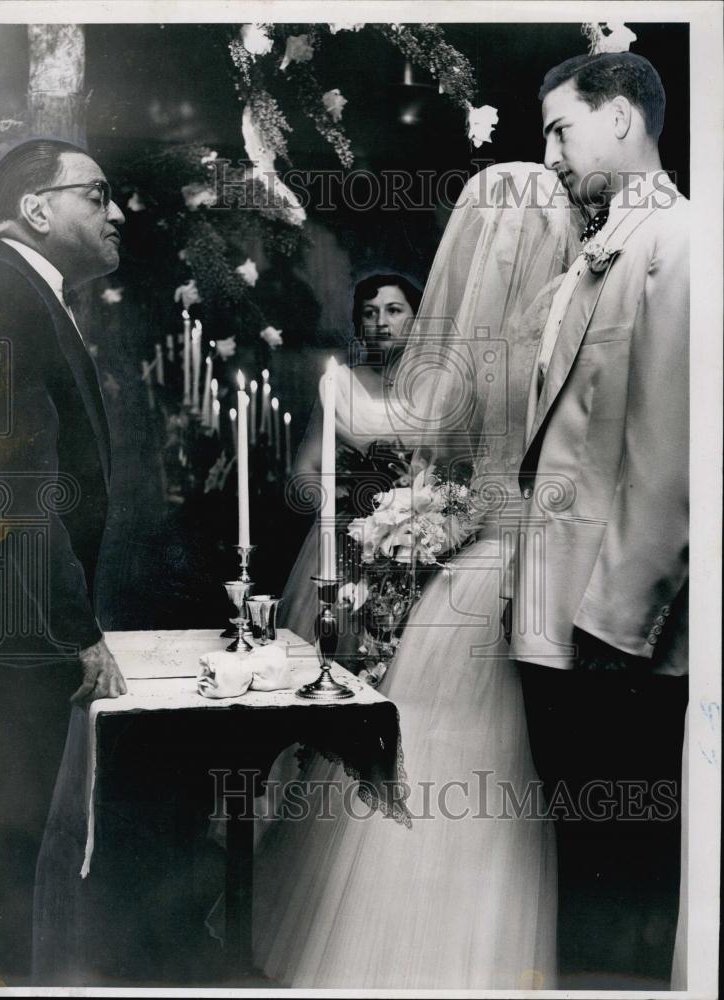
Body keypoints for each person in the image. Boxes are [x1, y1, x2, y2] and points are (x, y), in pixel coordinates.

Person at [248, 163, 581, 988]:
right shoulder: (555, 323)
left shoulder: (473, 355)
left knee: (458, 751)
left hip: (477, 569)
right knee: (474, 757)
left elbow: (421, 431)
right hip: (512, 563)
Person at [506, 53, 689, 986]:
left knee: (624, 881)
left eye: (558, 129)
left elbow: (671, 458)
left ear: (620, 119)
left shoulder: (683, 241)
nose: (548, 155)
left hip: (615, 640)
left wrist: (616, 631)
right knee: (579, 865)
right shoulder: (595, 251)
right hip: (553, 628)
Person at [0, 139, 127, 982]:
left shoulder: (27, 294)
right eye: (97, 196)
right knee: (0, 851)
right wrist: (75, 628)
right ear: (38, 210)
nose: (117, 213)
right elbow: (18, 487)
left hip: (15, 623)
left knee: (11, 843)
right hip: (16, 630)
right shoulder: (5, 295)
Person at [277, 272, 423, 665]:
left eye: (394, 310)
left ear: (417, 319)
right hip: (345, 546)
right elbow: (304, 470)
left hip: (416, 546)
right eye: (369, 313)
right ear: (359, 325)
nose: (381, 322)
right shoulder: (339, 385)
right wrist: (340, 505)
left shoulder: (437, 388)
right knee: (338, 655)